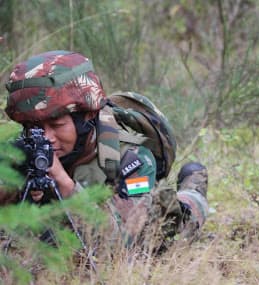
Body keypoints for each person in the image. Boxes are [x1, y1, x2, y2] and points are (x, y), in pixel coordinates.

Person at [0, 50, 208, 251]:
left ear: (87, 117)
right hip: (66, 232)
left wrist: (64, 184)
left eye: (57, 125)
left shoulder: (132, 158)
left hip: (149, 219)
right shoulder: (23, 149)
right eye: (35, 128)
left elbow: (122, 242)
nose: (47, 137)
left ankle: (194, 185)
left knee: (181, 218)